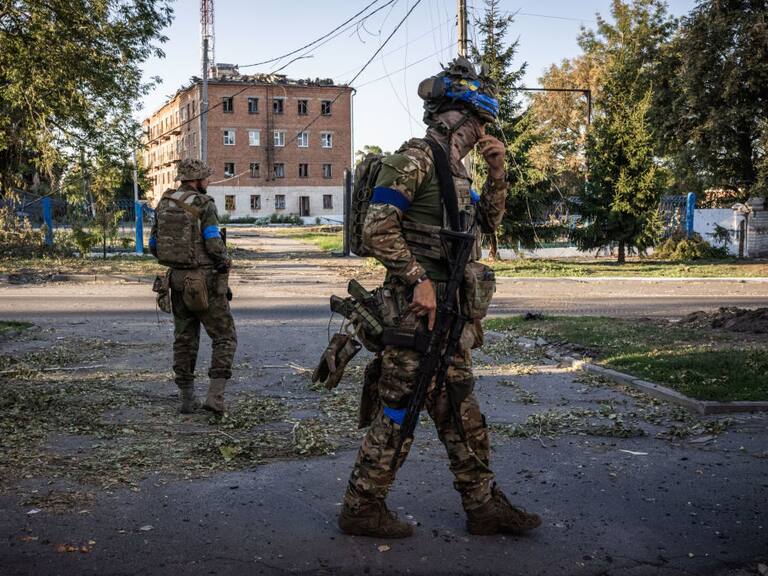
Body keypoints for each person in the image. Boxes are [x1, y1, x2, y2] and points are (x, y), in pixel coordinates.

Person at [338, 58, 542, 538]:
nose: (482, 133)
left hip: (450, 317)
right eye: (479, 124)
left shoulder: (457, 171)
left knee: (461, 415)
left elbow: (486, 227)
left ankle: (484, 505)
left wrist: (497, 175)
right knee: (398, 413)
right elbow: (376, 228)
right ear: (457, 116)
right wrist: (418, 280)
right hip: (416, 314)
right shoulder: (416, 159)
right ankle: (361, 507)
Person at [149, 159, 236, 415]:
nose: (208, 182)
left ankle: (187, 399)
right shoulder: (203, 204)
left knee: (184, 340)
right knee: (224, 336)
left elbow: (154, 244)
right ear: (196, 179)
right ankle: (215, 397)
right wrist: (224, 260)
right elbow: (212, 240)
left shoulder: (164, 202)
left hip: (175, 280)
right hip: (204, 282)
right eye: (206, 178)